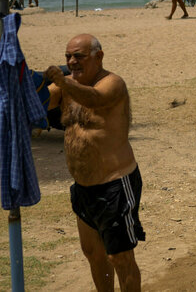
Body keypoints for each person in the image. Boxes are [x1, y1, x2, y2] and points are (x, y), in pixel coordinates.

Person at [45, 35, 145, 292]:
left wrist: (62, 81)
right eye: (68, 56)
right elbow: (42, 101)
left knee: (120, 258)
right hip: (83, 188)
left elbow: (94, 99)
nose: (72, 61)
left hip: (115, 184)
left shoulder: (112, 84)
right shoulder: (67, 86)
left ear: (99, 57)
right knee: (93, 253)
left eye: (79, 56)